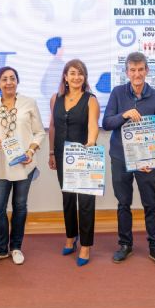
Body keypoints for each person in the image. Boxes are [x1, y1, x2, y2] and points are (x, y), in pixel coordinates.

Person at [102, 52, 155, 268]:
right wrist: (124, 115)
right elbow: (106, 123)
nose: (137, 74)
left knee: (150, 203)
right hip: (120, 157)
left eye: (141, 69)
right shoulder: (117, 93)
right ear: (126, 72)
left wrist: (153, 157)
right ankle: (125, 245)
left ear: (147, 70)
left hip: (146, 161)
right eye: (132, 70)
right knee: (123, 203)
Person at [0, 66, 46, 266]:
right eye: (4, 79)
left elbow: (40, 132)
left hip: (24, 164)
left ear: (17, 81)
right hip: (0, 165)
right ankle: (0, 250)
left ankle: (16, 247)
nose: (8, 82)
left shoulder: (30, 103)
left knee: (20, 207)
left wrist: (31, 151)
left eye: (12, 78)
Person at [48, 59, 100, 266]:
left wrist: (90, 143)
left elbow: (93, 125)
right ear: (65, 76)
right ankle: (71, 237)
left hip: (84, 155)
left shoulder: (91, 99)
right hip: (62, 156)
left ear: (84, 77)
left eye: (81, 73)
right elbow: (52, 126)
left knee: (86, 202)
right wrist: (51, 152)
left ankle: (85, 246)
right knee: (68, 198)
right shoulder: (55, 99)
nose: (77, 77)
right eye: (72, 73)